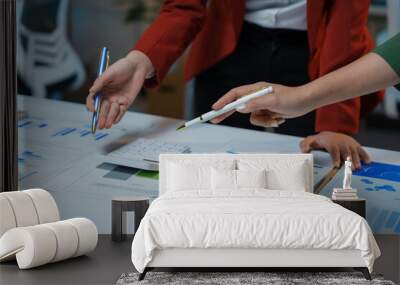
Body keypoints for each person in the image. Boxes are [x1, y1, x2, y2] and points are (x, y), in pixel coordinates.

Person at [86, 1, 382, 168]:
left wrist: (335, 124)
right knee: (213, 161)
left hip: (315, 53)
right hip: (230, 44)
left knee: (303, 165)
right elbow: (184, 5)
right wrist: (142, 60)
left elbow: (345, 28)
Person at [211, 33, 400, 169]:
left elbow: (345, 34)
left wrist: (333, 122)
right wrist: (302, 97)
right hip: (234, 45)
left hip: (311, 50)